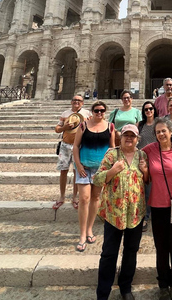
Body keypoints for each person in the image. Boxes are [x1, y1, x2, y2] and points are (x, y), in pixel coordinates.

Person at [93, 124, 148, 300]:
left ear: (137, 139)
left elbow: (146, 181)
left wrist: (145, 171)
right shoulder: (112, 154)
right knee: (109, 253)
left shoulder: (142, 155)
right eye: (126, 135)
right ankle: (103, 292)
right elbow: (97, 179)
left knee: (131, 252)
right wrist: (112, 170)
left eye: (133, 136)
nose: (129, 138)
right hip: (113, 213)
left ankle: (125, 287)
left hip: (135, 213)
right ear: (120, 137)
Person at [142, 118, 172, 300]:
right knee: (161, 246)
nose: (161, 134)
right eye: (158, 132)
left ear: (171, 132)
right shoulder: (149, 150)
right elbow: (132, 155)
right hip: (158, 205)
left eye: (164, 130)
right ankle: (163, 284)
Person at [72, 100, 115, 252]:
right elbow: (75, 146)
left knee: (96, 198)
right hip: (84, 167)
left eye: (102, 110)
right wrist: (77, 165)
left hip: (100, 169)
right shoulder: (83, 125)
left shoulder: (110, 126)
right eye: (96, 110)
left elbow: (112, 148)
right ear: (92, 111)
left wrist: (108, 168)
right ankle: (82, 234)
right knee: (84, 198)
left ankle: (89, 229)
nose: (99, 113)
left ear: (105, 112)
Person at [53, 95, 92, 210]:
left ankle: (75, 197)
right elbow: (57, 129)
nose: (76, 102)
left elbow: (91, 127)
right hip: (65, 145)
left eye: (79, 100)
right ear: (71, 102)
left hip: (80, 146)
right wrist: (64, 127)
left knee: (77, 171)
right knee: (63, 170)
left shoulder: (87, 114)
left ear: (83, 103)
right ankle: (62, 196)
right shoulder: (65, 113)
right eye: (74, 100)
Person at [137, 101, 159, 232]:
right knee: (144, 189)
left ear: (154, 110)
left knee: (153, 189)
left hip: (156, 159)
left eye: (151, 108)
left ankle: (150, 215)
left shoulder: (159, 123)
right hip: (142, 160)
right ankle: (144, 215)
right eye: (146, 109)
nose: (149, 111)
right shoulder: (140, 124)